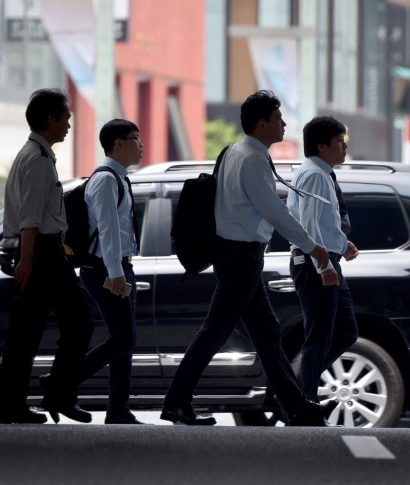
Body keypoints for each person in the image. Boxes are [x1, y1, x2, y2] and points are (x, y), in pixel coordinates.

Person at [161, 90, 332, 426]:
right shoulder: (252, 159)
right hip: (241, 257)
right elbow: (275, 212)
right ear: (261, 123)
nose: (284, 124)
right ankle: (176, 402)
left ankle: (296, 407)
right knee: (215, 331)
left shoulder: (233, 152)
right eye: (278, 118)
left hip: (236, 255)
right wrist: (312, 246)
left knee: (267, 333)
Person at [0, 89, 93, 424]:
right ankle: (55, 395)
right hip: (41, 251)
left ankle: (15, 402)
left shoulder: (34, 153)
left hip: (41, 250)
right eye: (65, 118)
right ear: (51, 119)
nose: (68, 124)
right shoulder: (37, 159)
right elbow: (31, 219)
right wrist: (27, 260)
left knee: (27, 330)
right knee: (77, 321)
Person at [286, 116, 358, 410]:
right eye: (339, 141)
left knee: (345, 332)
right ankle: (305, 401)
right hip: (315, 263)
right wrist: (324, 266)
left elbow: (322, 223)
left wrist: (342, 243)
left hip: (325, 259)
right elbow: (308, 225)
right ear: (321, 145)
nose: (344, 146)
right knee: (319, 337)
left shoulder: (320, 173)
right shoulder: (314, 174)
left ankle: (300, 388)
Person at [76, 119, 144, 425]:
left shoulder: (120, 178)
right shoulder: (105, 180)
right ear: (118, 143)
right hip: (105, 268)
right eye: (135, 139)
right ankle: (62, 382)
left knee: (123, 340)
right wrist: (116, 272)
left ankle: (118, 409)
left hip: (119, 267)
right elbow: (108, 229)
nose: (141, 146)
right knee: (124, 339)